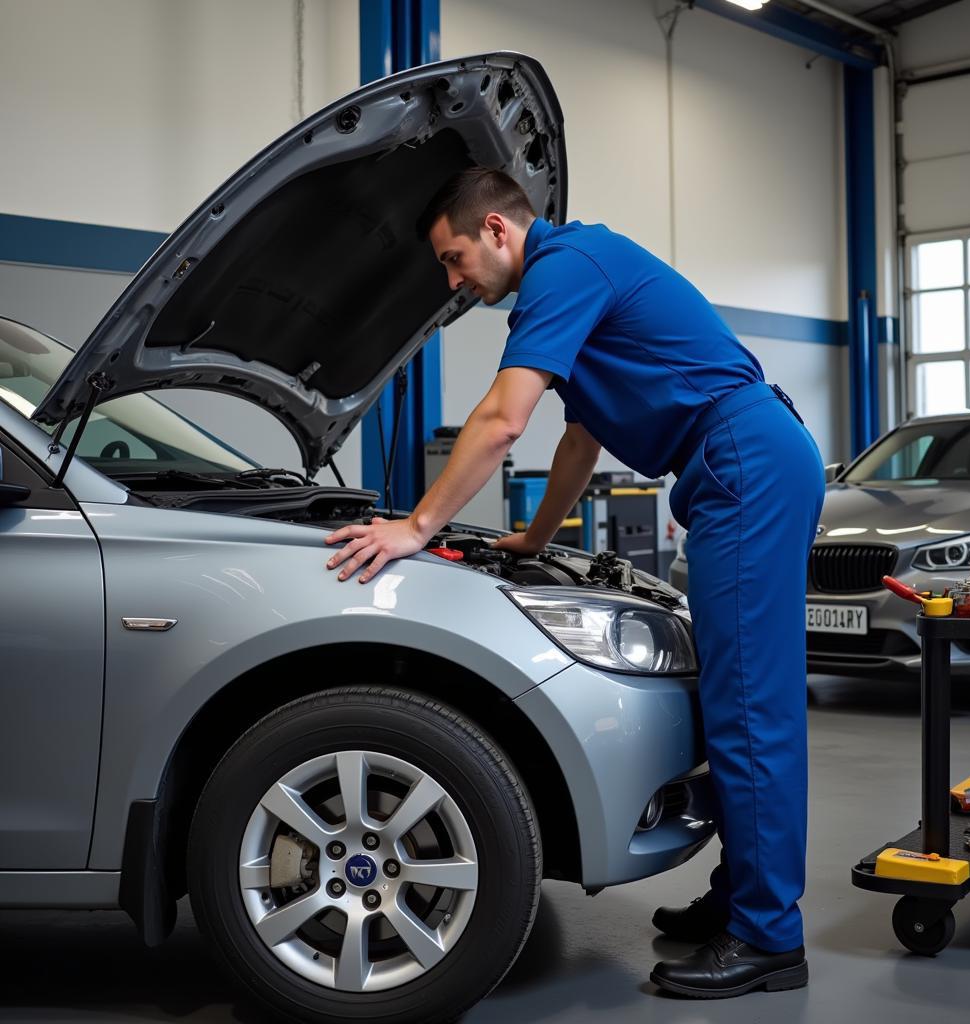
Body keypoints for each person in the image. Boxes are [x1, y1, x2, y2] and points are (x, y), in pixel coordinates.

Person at [323, 166, 825, 999]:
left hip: (746, 461)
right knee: (734, 697)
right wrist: (538, 536)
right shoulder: (577, 279)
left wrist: (416, 527)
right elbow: (580, 438)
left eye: (452, 259)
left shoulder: (565, 268)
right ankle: (745, 897)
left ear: (496, 229)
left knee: (749, 702)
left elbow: (501, 418)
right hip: (739, 460)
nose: (452, 282)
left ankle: (769, 937)